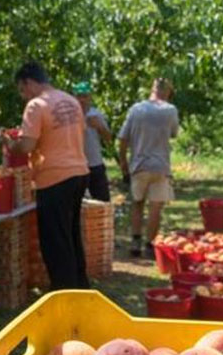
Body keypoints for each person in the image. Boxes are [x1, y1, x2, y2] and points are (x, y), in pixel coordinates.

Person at [1, 62, 90, 290]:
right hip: (79, 171)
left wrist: (10, 144)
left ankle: (64, 291)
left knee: (55, 241)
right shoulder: (70, 100)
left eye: (22, 90)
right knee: (71, 234)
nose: (23, 96)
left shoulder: (36, 105)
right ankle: (80, 286)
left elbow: (27, 146)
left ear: (29, 83)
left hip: (54, 177)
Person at [118, 78, 179, 257]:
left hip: (139, 164)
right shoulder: (170, 110)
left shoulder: (136, 109)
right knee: (155, 207)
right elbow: (174, 133)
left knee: (137, 203)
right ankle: (150, 245)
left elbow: (123, 138)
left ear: (152, 90)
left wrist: (123, 162)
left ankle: (135, 241)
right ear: (167, 92)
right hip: (161, 165)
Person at [73, 81, 112, 202]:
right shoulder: (70, 116)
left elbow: (108, 138)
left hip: (95, 164)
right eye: (79, 96)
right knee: (77, 202)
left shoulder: (96, 114)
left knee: (102, 200)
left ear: (90, 97)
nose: (82, 100)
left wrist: (100, 126)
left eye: (85, 96)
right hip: (76, 166)